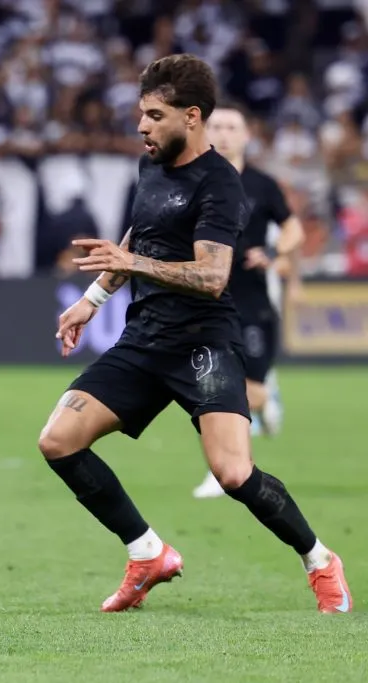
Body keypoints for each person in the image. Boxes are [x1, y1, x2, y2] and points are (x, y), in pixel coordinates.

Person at [39, 54, 351, 613]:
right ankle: (147, 552)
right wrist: (92, 300)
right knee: (58, 441)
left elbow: (211, 276)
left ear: (191, 116)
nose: (142, 126)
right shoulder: (150, 165)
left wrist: (131, 267)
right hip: (145, 340)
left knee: (232, 473)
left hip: (204, 343)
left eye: (154, 116)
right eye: (140, 114)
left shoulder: (222, 184)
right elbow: (136, 243)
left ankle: (321, 561)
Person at [192, 103, 305, 499]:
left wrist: (276, 256)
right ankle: (220, 469)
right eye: (216, 126)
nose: (223, 134)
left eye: (231, 127)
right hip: (208, 302)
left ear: (246, 136)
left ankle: (266, 399)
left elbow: (292, 229)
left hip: (254, 302)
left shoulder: (261, 184)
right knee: (212, 389)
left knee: (247, 392)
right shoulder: (194, 180)